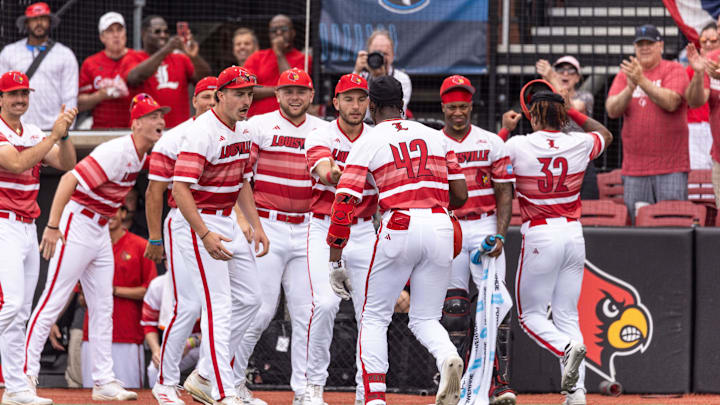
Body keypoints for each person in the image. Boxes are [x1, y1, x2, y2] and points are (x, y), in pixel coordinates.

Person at [326, 75, 468, 405]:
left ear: (372, 105)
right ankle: (447, 354)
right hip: (440, 224)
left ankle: (374, 397)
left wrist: (335, 258)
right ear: (402, 103)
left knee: (374, 316)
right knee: (426, 319)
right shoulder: (437, 136)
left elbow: (345, 202)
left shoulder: (367, 140)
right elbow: (460, 194)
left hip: (399, 222)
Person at [24, 93, 168, 402]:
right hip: (78, 222)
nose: (161, 121)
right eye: (153, 116)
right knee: (53, 297)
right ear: (137, 123)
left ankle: (103, 380)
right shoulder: (119, 150)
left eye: (161, 116)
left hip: (100, 226)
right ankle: (25, 375)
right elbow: (68, 179)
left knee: (103, 305)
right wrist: (53, 225)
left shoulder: (143, 154)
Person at [502, 86, 614, 405]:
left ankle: (565, 349)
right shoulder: (578, 141)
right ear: (563, 116)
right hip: (573, 234)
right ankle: (577, 393)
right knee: (566, 315)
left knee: (530, 317)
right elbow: (605, 133)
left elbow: (489, 158)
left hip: (540, 234)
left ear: (533, 115)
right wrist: (572, 111)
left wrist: (506, 127)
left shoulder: (518, 144)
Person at [171, 66, 269, 405]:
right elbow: (179, 189)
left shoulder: (242, 131)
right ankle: (225, 392)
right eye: (239, 93)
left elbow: (242, 181)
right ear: (220, 96)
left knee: (253, 299)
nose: (245, 100)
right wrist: (205, 234)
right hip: (199, 221)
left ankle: (203, 376)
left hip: (227, 219)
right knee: (218, 306)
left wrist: (255, 225)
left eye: (249, 93)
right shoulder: (202, 132)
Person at [233, 67, 326, 405]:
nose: (295, 96)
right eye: (288, 90)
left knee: (307, 312)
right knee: (258, 310)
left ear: (312, 94)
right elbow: (240, 177)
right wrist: (250, 222)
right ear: (277, 94)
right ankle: (233, 384)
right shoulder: (258, 125)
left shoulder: (324, 130)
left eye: (301, 90)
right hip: (267, 224)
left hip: (309, 227)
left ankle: (304, 390)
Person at [438, 75, 517, 405]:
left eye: (464, 106)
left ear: (472, 106)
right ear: (443, 107)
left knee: (495, 307)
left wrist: (500, 232)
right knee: (455, 308)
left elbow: (505, 191)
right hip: (450, 226)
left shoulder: (490, 142)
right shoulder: (432, 142)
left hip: (484, 225)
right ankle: (455, 383)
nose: (459, 112)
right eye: (453, 107)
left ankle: (500, 383)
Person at [0, 70, 77, 405]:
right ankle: (15, 384)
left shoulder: (31, 130)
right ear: (0, 98)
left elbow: (66, 162)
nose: (20, 99)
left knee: (22, 311)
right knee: (13, 304)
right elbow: (16, 163)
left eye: (24, 94)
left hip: (28, 226)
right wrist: (52, 136)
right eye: (13, 94)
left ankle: (16, 388)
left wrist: (65, 134)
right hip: (2, 224)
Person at [303, 73, 377, 405]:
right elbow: (324, 171)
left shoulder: (377, 138)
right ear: (335, 103)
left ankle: (367, 390)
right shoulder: (320, 133)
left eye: (362, 99)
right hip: (323, 227)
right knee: (326, 304)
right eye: (348, 98)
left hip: (363, 228)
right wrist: (342, 173)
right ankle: (314, 385)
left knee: (370, 313)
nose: (356, 105)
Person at [145, 76, 218, 405]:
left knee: (225, 305)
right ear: (194, 101)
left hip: (222, 221)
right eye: (205, 96)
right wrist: (155, 238)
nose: (210, 102)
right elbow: (154, 191)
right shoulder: (174, 137)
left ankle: (209, 378)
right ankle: (165, 381)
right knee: (187, 304)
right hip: (184, 222)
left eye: (216, 96)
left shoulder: (234, 133)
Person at [606, 24, 690, 220]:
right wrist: (629, 88)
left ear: (660, 45)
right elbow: (611, 110)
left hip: (671, 167)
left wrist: (641, 81)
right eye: (640, 44)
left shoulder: (674, 69)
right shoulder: (626, 74)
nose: (644, 48)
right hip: (635, 169)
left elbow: (671, 102)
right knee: (639, 226)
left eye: (650, 43)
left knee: (672, 224)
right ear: (635, 48)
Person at [80, 205, 157, 388]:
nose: (109, 214)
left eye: (114, 209)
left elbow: (150, 291)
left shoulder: (140, 245)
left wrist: (112, 290)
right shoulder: (88, 245)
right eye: (103, 210)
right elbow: (78, 292)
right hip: (93, 335)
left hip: (128, 335)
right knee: (89, 395)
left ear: (123, 213)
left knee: (128, 392)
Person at [123, 15, 211, 128]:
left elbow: (204, 79)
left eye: (166, 31)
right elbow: (134, 78)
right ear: (144, 33)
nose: (163, 35)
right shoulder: (133, 57)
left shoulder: (180, 58)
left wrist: (193, 56)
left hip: (179, 130)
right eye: (157, 31)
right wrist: (166, 50)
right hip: (148, 132)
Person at [0, 2, 78, 130]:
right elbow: (1, 92)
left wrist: (65, 130)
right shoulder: (9, 52)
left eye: (43, 19)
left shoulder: (65, 54)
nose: (39, 23)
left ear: (50, 22)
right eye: (34, 19)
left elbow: (70, 97)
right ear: (26, 23)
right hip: (17, 129)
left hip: (53, 130)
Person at [536, 55, 598, 199]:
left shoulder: (585, 97)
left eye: (571, 71)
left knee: (588, 207)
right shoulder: (546, 98)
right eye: (560, 70)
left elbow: (573, 107)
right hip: (555, 162)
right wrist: (549, 81)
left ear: (577, 78)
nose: (565, 74)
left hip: (583, 160)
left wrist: (552, 78)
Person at [143, 272, 202, 391]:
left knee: (203, 369)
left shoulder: (202, 282)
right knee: (154, 368)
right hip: (172, 339)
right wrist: (156, 350)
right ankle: (162, 395)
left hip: (201, 344)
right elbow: (149, 323)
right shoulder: (158, 285)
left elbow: (216, 328)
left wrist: (190, 343)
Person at [244, 15, 312, 117]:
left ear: (293, 33)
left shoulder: (304, 59)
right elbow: (247, 89)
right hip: (257, 121)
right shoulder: (257, 57)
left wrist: (279, 54)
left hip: (290, 120)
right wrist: (278, 90)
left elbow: (293, 85)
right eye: (274, 30)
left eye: (283, 29)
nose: (278, 33)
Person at [78, 12, 136, 129]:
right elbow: (79, 104)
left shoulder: (138, 58)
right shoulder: (90, 63)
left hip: (135, 130)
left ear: (125, 33)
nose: (116, 35)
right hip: (102, 130)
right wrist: (100, 95)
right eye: (110, 31)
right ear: (102, 37)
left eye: (119, 30)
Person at [683, 24, 719, 170]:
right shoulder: (691, 68)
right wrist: (699, 73)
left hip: (714, 127)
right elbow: (690, 101)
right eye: (704, 40)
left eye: (713, 40)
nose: (708, 44)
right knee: (699, 181)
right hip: (695, 128)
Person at [353, 30, 412, 116]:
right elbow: (355, 112)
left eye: (385, 54)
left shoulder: (401, 79)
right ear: (368, 55)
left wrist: (381, 78)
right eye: (376, 54)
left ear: (392, 56)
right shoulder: (360, 77)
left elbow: (398, 113)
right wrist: (356, 72)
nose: (380, 58)